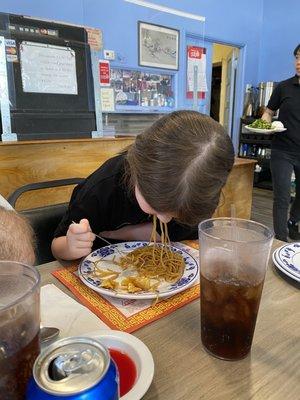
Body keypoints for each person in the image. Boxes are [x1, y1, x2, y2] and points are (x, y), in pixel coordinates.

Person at [51, 110, 235, 261]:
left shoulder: (197, 194)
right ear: (138, 170)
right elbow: (56, 246)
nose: (164, 220)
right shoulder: (102, 188)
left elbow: (187, 236)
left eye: (172, 214)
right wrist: (70, 245)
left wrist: (134, 232)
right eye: (156, 207)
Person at [262, 44, 300, 241]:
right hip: (282, 149)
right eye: (297, 57)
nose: (299, 62)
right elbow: (268, 112)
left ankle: (293, 222)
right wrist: (265, 125)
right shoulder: (283, 87)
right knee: (282, 196)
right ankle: (281, 239)